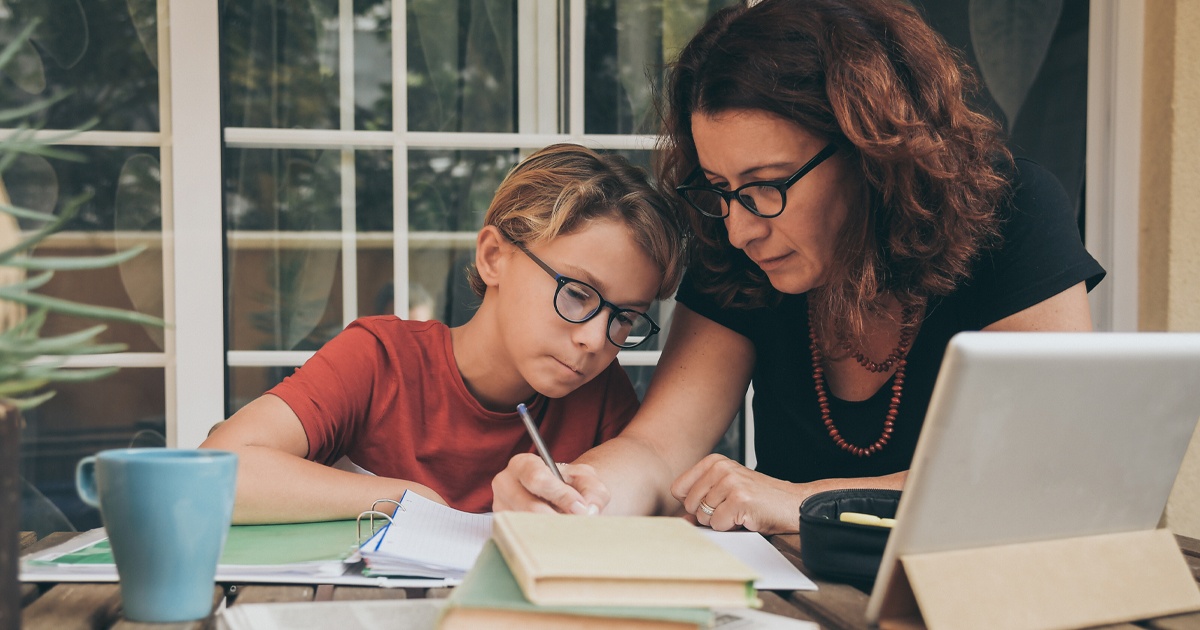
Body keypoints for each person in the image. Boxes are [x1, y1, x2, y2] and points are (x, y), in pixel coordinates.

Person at [492, 0, 1105, 534]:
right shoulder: (737, 246)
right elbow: (656, 448)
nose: (740, 227)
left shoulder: (1013, 212)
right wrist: (578, 494)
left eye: (765, 184)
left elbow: (1041, 468)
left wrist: (803, 501)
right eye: (720, 188)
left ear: (871, 148)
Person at [203, 144, 684, 523]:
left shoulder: (601, 394)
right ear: (494, 256)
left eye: (624, 317)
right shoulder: (379, 359)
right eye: (578, 294)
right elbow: (216, 471)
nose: (596, 340)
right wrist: (405, 496)